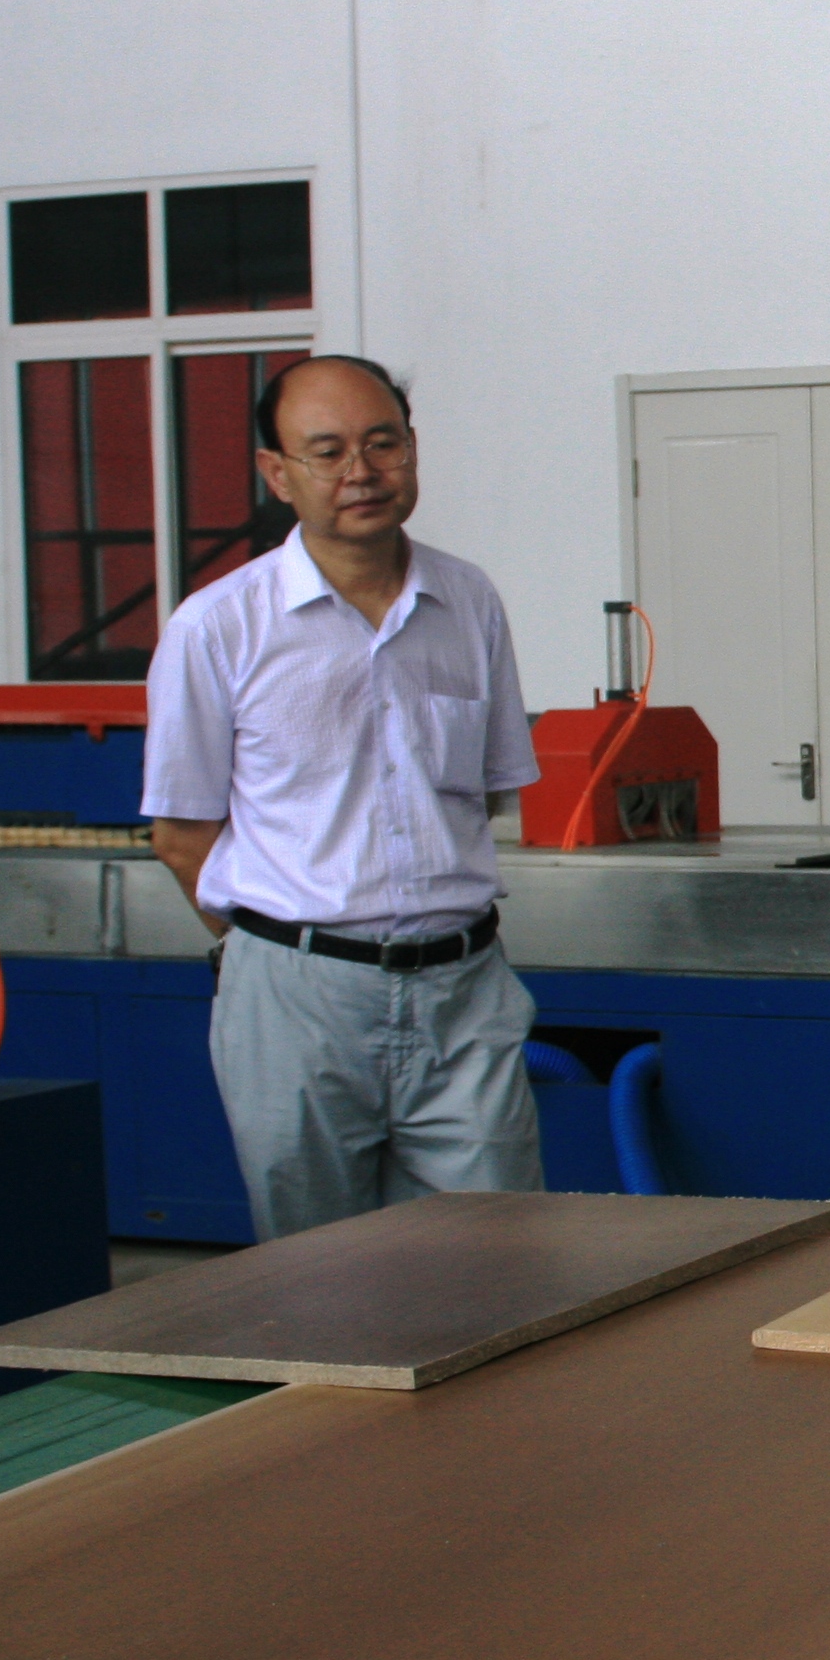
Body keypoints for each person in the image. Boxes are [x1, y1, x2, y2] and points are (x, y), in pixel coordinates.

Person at [144, 355, 545, 1240]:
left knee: (496, 1262)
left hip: (462, 991)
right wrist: (283, 951)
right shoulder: (218, 626)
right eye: (326, 452)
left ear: (412, 448)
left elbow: (481, 794)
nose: (361, 471)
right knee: (318, 1277)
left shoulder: (468, 601)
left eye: (382, 443)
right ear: (277, 472)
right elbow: (180, 835)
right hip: (297, 1001)